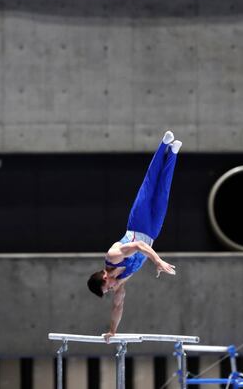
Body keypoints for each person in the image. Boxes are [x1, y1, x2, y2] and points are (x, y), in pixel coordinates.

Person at [87, 130, 181, 340]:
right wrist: (112, 331)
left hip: (138, 223)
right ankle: (173, 153)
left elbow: (138, 246)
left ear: (104, 277)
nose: (111, 290)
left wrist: (157, 261)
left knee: (150, 185)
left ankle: (163, 145)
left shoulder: (113, 256)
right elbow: (117, 306)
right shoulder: (119, 282)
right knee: (163, 191)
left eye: (107, 288)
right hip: (153, 230)